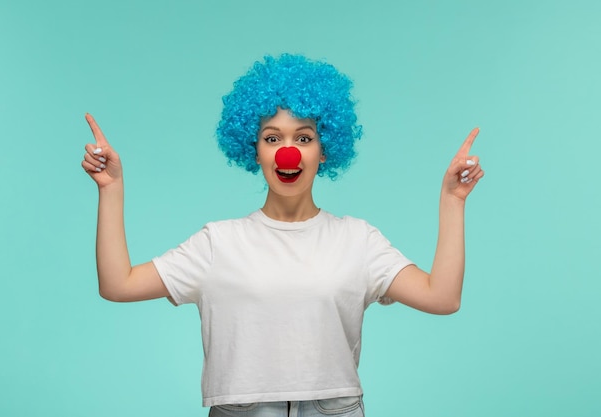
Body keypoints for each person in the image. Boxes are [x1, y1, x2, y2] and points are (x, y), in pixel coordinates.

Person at [81, 54, 484, 417]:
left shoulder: (358, 240)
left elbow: (442, 297)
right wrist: (110, 189)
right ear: (253, 149)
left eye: (303, 138)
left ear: (324, 151)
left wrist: (452, 201)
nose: (287, 152)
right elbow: (117, 285)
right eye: (272, 138)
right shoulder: (217, 242)